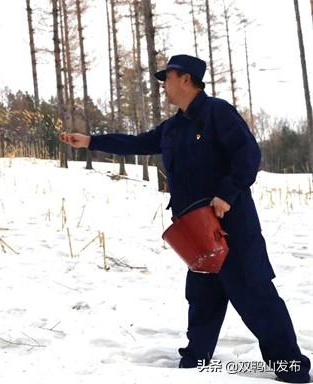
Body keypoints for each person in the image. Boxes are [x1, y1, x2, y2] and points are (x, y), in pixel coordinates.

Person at [59, 54, 311, 383]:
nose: (163, 85)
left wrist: (228, 192)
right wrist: (92, 141)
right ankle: (194, 364)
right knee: (203, 295)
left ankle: (291, 366)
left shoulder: (217, 113)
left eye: (168, 77)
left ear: (186, 80)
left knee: (254, 292)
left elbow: (248, 154)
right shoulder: (173, 128)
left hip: (232, 224)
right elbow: (137, 142)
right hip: (194, 230)